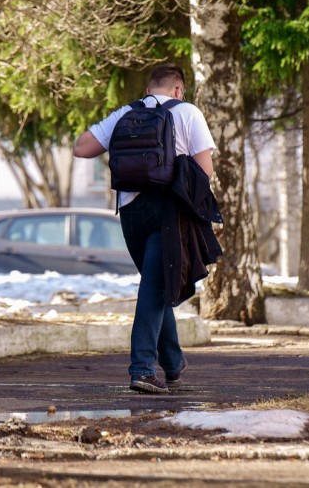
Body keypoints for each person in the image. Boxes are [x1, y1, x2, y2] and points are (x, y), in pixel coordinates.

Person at [74, 64, 217, 393]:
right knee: (154, 288)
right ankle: (141, 369)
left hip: (130, 211)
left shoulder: (126, 113)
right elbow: (204, 171)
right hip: (169, 209)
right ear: (178, 89)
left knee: (157, 283)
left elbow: (82, 147)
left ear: (149, 88)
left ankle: (172, 362)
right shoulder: (188, 112)